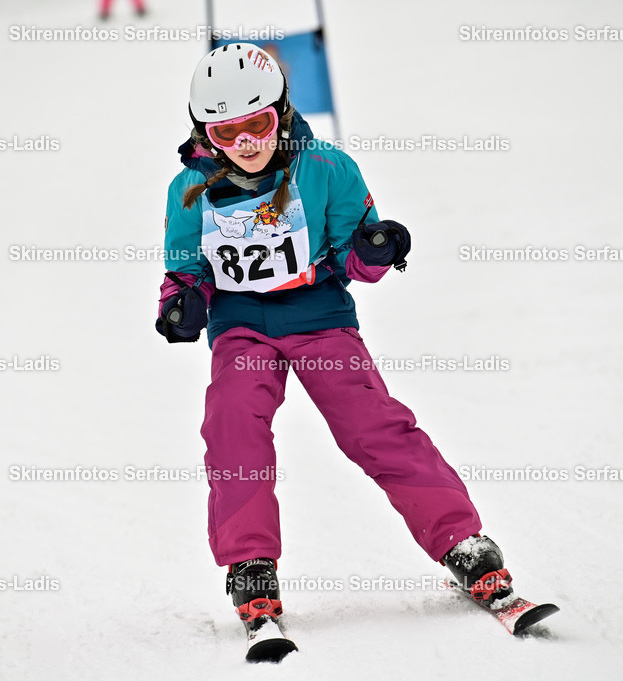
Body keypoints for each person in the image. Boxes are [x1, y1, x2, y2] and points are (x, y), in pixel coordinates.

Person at [156, 43, 518, 662]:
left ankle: (462, 541)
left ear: (281, 113)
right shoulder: (190, 187)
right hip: (242, 323)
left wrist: (375, 249)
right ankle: (250, 565)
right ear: (203, 131)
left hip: (318, 315)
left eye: (257, 124)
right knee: (232, 423)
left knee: (374, 424)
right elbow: (185, 265)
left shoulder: (328, 168)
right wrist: (181, 301)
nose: (244, 141)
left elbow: (353, 254)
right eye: (225, 130)